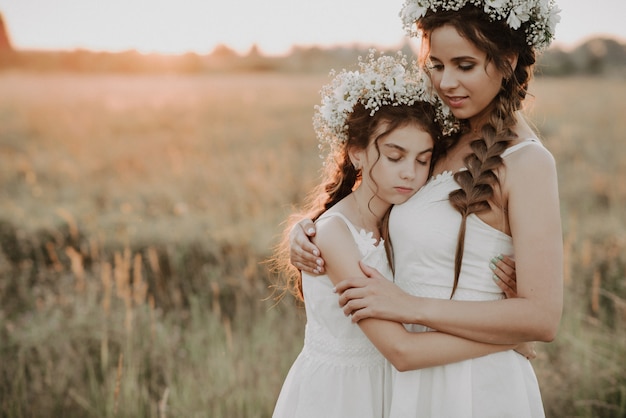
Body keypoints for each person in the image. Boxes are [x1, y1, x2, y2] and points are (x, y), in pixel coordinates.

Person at [290, 1, 563, 416]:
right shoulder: (440, 141)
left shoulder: (528, 163)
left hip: (477, 383)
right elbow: (375, 209)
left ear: (507, 61)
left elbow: (542, 317)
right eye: (436, 65)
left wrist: (409, 306)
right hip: (413, 373)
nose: (447, 82)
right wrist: (310, 230)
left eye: (465, 65)